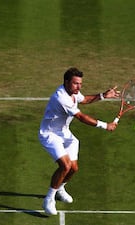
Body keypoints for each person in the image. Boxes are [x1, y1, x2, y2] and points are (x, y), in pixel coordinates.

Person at [38, 67, 120, 215]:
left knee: (74, 169)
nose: (79, 87)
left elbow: (85, 99)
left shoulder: (73, 93)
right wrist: (105, 125)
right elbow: (81, 117)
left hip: (64, 133)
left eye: (80, 83)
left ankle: (60, 188)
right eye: (76, 83)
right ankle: (49, 199)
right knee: (65, 165)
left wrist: (103, 95)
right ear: (66, 82)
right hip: (49, 135)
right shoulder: (61, 97)